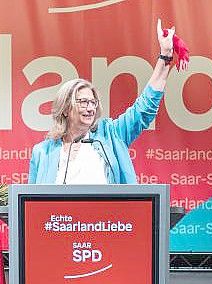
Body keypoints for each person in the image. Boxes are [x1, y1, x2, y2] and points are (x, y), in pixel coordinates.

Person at [28, 19, 183, 184]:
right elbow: (30, 202)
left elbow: (143, 110)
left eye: (93, 102)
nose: (90, 108)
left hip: (108, 211)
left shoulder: (111, 134)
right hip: (59, 211)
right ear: (65, 109)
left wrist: (165, 57)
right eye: (83, 102)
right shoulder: (42, 152)